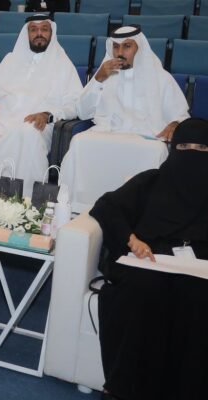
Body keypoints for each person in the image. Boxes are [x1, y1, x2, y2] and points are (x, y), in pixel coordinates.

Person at [88, 118, 208, 400]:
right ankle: (122, 388)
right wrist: (132, 239)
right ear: (173, 149)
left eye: (202, 148)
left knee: (197, 296)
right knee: (143, 289)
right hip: (152, 259)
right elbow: (107, 206)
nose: (192, 154)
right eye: (184, 147)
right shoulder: (151, 181)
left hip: (202, 266)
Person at [60, 26, 190, 208]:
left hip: (146, 137)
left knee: (156, 151)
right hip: (107, 133)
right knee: (79, 142)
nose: (120, 53)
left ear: (139, 49)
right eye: (116, 47)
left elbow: (181, 115)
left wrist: (175, 124)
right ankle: (80, 208)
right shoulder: (104, 75)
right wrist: (98, 79)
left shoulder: (161, 78)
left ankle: (139, 212)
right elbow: (82, 111)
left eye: (127, 46)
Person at [0, 15, 82, 196]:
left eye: (44, 29)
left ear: (51, 33)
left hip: (36, 124)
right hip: (1, 120)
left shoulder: (63, 65)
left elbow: (74, 104)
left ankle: (22, 200)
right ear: (27, 33)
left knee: (26, 134)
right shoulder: (11, 60)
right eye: (33, 29)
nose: (39, 34)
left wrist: (47, 115)